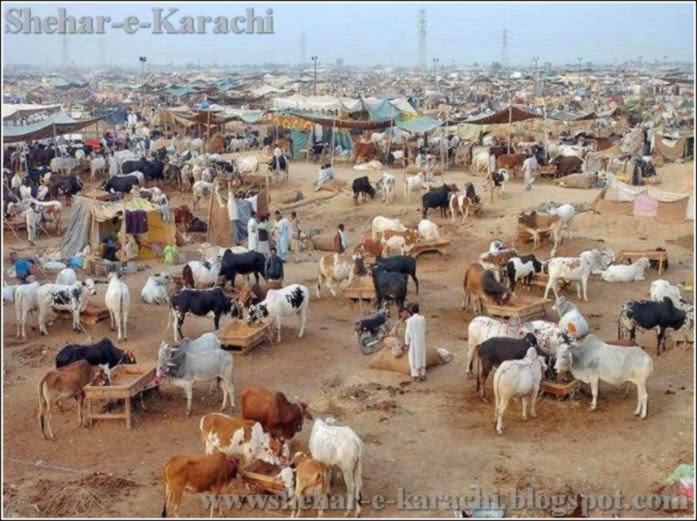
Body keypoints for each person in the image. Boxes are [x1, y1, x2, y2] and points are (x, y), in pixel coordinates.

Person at [404, 303, 427, 382]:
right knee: (421, 356)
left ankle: (416, 375)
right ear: (418, 310)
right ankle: (423, 374)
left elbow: (407, 333)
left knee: (413, 358)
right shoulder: (423, 319)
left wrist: (406, 343)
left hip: (414, 342)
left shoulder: (409, 321)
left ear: (411, 311)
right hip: (421, 341)